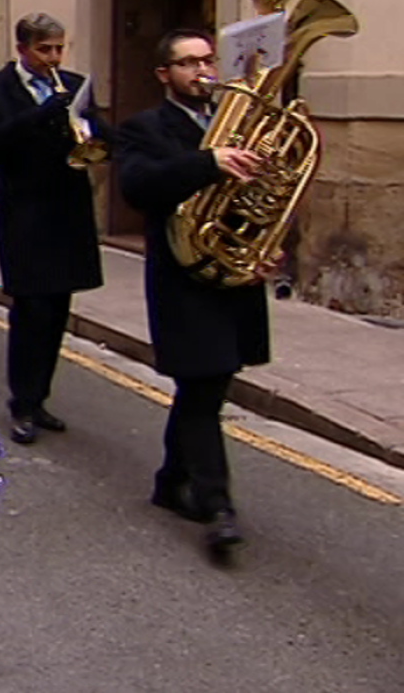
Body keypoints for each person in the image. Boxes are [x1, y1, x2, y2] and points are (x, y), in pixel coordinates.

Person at [117, 29, 264, 557]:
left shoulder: (244, 123)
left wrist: (265, 244)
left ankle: (169, 478)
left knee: (209, 383)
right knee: (202, 385)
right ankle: (217, 505)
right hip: (182, 276)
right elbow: (138, 187)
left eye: (208, 61)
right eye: (188, 64)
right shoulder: (143, 128)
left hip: (230, 275)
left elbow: (265, 194)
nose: (203, 72)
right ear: (165, 75)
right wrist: (208, 161)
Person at [0, 13, 106, 445]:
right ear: (22, 49)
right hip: (26, 212)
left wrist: (91, 130)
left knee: (57, 311)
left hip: (67, 209)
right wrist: (37, 117)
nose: (53, 58)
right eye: (44, 50)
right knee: (31, 311)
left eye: (59, 49)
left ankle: (40, 398)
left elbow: (99, 130)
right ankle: (22, 402)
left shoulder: (74, 83)